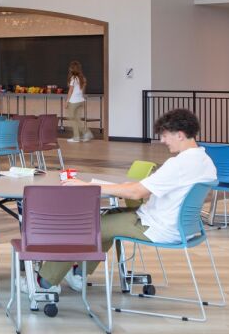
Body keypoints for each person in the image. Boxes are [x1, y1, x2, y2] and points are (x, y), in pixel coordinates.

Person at [38, 107, 217, 292]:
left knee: (86, 225)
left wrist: (88, 186)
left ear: (180, 135)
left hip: (156, 227)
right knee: (110, 216)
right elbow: (148, 189)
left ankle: (43, 283)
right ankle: (79, 273)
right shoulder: (206, 162)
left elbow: (137, 193)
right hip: (182, 228)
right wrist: (127, 188)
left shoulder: (179, 164)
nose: (162, 141)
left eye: (165, 136)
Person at [66, 60, 91, 142]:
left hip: (73, 101)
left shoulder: (73, 78)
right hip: (80, 101)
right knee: (77, 119)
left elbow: (70, 91)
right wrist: (82, 98)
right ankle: (85, 134)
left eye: (70, 68)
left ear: (72, 69)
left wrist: (67, 101)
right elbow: (83, 91)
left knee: (73, 119)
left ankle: (77, 137)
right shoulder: (83, 78)